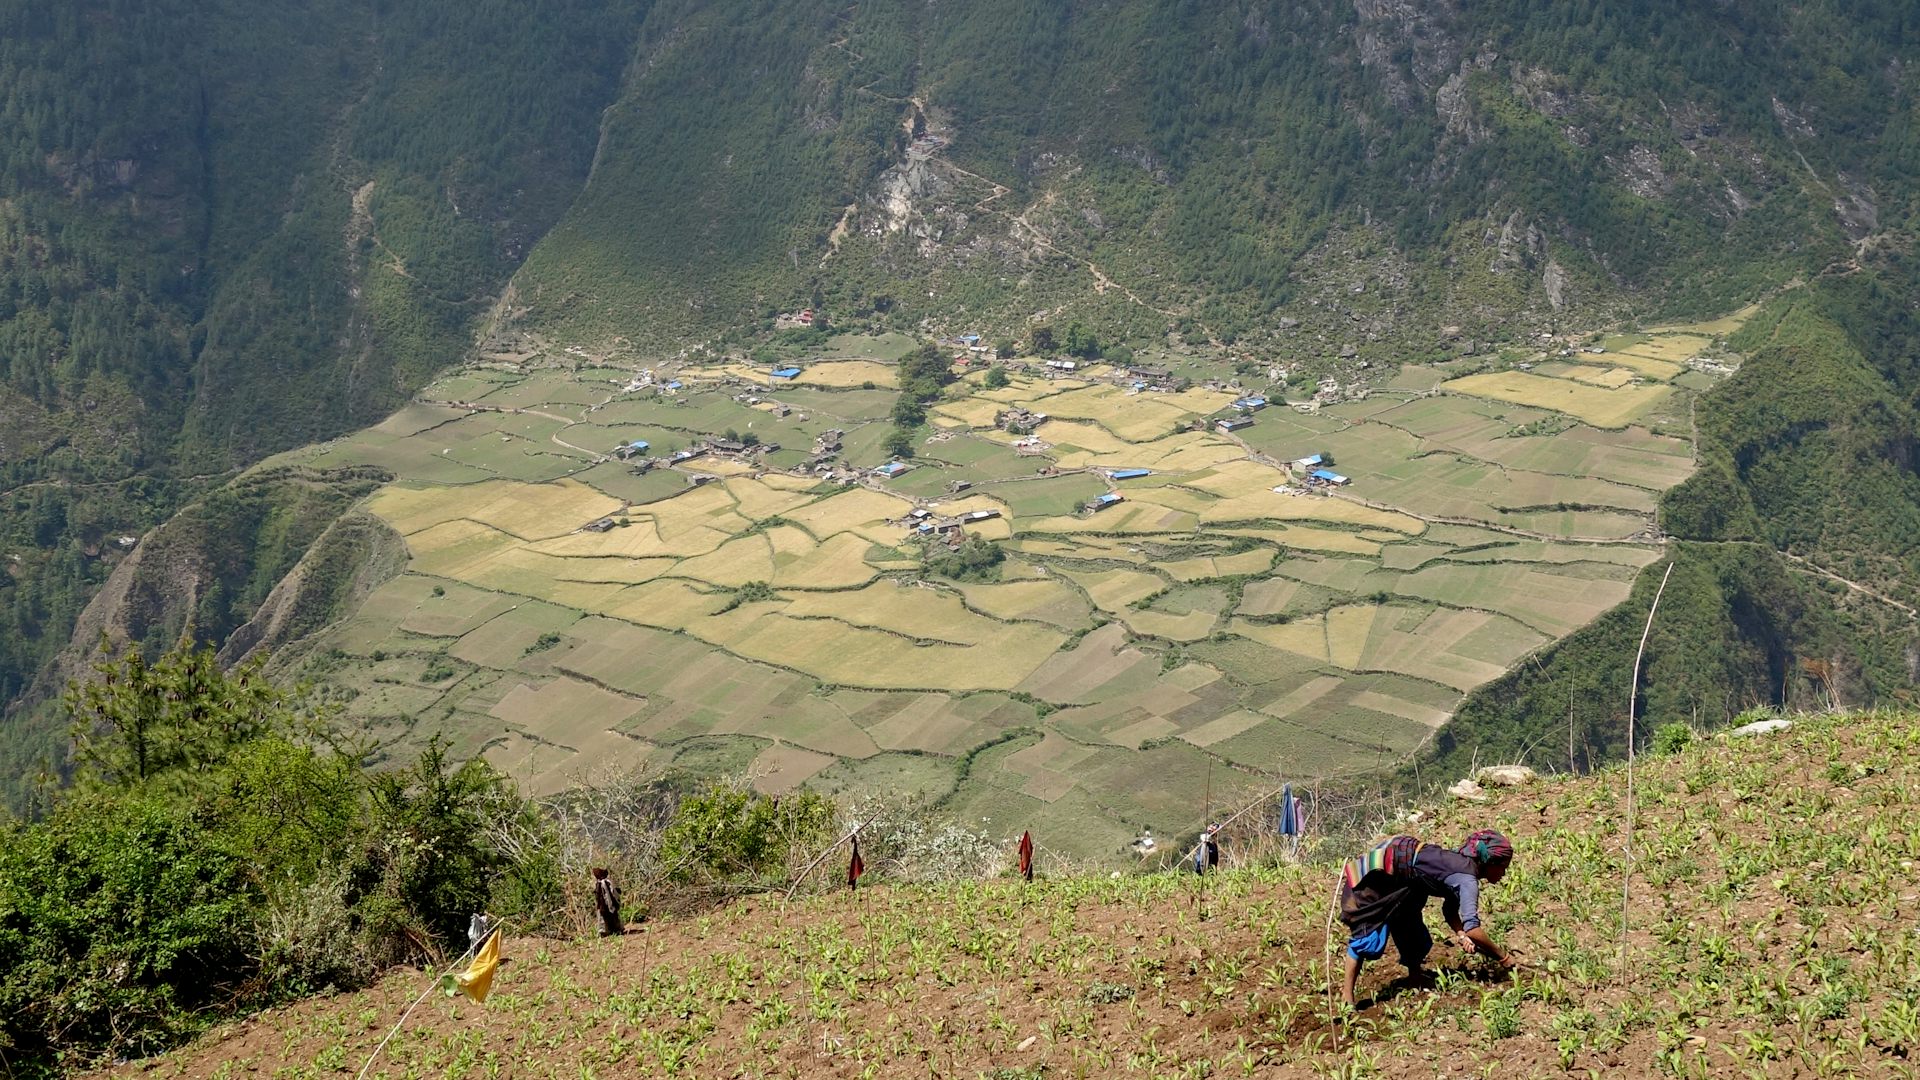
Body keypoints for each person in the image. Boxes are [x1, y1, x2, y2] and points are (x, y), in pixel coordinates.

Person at [1337, 830, 1516, 1007]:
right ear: (1490, 863)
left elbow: (1450, 910)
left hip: (1405, 881)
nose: (1504, 874)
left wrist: (1461, 934)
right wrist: (1503, 957)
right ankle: (1347, 995)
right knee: (1368, 940)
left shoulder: (1462, 865)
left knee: (1412, 929)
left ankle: (1415, 978)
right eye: (1503, 868)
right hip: (1375, 880)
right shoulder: (1467, 880)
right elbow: (1473, 929)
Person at [591, 867, 623, 937]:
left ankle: (615, 930)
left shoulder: (606, 883)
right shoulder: (600, 883)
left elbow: (613, 892)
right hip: (604, 904)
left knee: (611, 916)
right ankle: (606, 931)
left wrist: (614, 901)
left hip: (608, 903)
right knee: (605, 917)